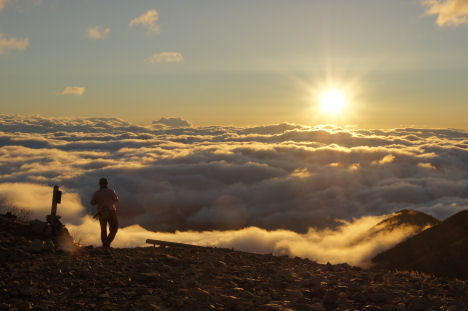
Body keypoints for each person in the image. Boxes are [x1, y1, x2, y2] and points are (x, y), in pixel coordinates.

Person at [90, 177, 119, 248]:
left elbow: (92, 203)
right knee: (114, 229)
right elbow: (116, 200)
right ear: (107, 183)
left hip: (102, 212)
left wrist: (99, 202)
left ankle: (105, 245)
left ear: (99, 184)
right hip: (112, 211)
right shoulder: (111, 192)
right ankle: (107, 244)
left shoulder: (97, 193)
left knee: (103, 229)